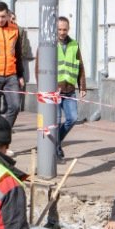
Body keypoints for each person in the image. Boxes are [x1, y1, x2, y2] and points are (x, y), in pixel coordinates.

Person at [37, 16, 87, 163]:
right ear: (55, 29)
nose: (62, 32)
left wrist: (82, 86)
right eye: (59, 29)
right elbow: (39, 67)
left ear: (68, 29)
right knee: (56, 120)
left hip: (70, 89)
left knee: (72, 118)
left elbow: (80, 67)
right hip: (54, 92)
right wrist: (44, 89)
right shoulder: (48, 44)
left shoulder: (74, 45)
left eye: (64, 29)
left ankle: (55, 144)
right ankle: (55, 150)